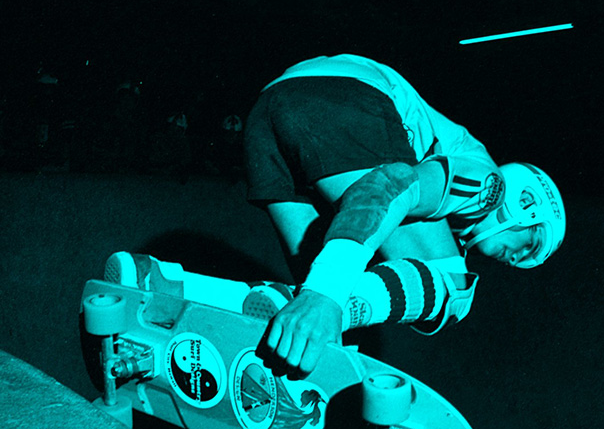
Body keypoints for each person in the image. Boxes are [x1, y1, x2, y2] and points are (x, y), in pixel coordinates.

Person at [106, 54, 565, 376]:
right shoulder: (485, 183)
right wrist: (325, 296)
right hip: (343, 101)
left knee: (307, 301)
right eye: (529, 243)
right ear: (522, 206)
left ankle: (168, 286)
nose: (517, 257)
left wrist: (320, 295)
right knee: (451, 290)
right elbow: (388, 185)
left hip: (268, 114)